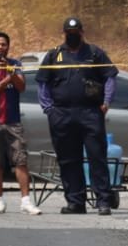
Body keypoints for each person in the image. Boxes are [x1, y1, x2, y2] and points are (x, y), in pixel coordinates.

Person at [36, 16, 119, 215]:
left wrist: (106, 101)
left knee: (97, 158)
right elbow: (42, 83)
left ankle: (103, 202)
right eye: (69, 33)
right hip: (62, 114)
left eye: (76, 32)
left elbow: (110, 77)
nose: (72, 35)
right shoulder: (54, 55)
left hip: (90, 113)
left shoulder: (95, 53)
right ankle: (75, 202)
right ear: (63, 34)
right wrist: (48, 109)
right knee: (68, 159)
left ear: (82, 32)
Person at [0, 31, 41, 216]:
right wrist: (6, 80)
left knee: (21, 161)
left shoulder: (15, 65)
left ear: (8, 47)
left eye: (3, 45)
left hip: (13, 122)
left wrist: (10, 72)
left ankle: (25, 201)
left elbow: (21, 87)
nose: (0, 48)